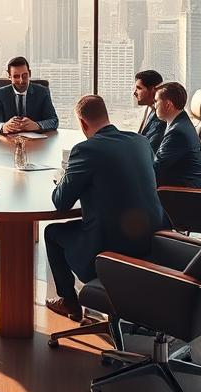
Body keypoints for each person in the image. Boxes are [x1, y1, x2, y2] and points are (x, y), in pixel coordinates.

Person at [44, 95, 166, 321]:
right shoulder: (140, 142)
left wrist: (64, 178)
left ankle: (70, 303)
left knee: (52, 233)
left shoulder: (86, 150)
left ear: (82, 123)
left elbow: (61, 202)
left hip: (110, 249)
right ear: (107, 116)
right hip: (153, 242)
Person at [152, 81, 201, 188]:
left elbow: (156, 168)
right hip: (176, 185)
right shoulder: (179, 122)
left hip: (182, 193)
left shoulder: (177, 133)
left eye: (156, 101)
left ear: (168, 104)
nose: (154, 106)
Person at [0, 56, 59, 134]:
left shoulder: (42, 92)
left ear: (29, 73)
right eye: (16, 76)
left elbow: (54, 121)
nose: (21, 80)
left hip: (35, 142)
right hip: (7, 142)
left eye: (24, 75)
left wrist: (37, 125)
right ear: (9, 77)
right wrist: (3, 127)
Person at [133, 69, 166, 154]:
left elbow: (150, 150)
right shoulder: (150, 110)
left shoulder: (162, 119)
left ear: (152, 90)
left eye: (139, 88)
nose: (135, 93)